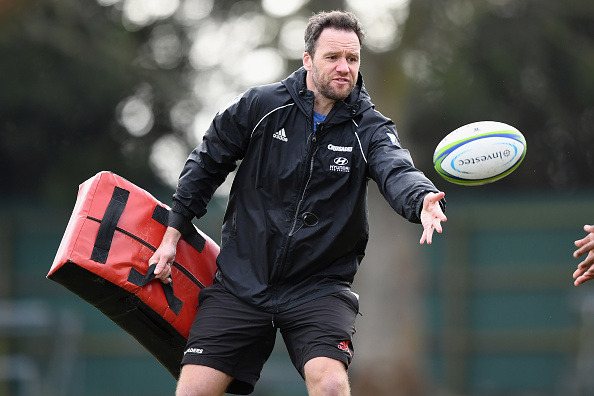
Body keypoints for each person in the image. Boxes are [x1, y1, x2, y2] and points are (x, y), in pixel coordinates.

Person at [149, 10, 447, 396]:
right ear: (307, 60)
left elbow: (395, 168)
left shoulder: (370, 127)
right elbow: (206, 162)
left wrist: (420, 197)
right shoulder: (261, 106)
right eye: (333, 58)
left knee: (330, 383)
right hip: (242, 281)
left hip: (318, 287)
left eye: (353, 59)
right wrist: (173, 234)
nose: (344, 68)